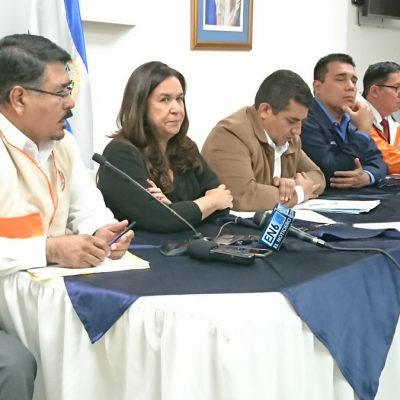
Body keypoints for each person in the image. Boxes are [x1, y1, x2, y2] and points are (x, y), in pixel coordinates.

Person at [0, 34, 134, 399]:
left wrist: (104, 231)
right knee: (15, 365)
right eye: (61, 92)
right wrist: (50, 249)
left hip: (37, 297)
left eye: (70, 89)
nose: (72, 102)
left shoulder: (64, 143)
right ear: (19, 98)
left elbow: (87, 208)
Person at [97, 61, 233, 233]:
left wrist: (176, 209)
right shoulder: (120, 154)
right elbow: (160, 219)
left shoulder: (185, 147)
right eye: (165, 100)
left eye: (179, 99)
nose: (177, 109)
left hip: (190, 242)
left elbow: (224, 202)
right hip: (142, 247)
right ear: (141, 105)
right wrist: (209, 202)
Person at [201, 69, 326, 211]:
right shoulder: (229, 135)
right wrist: (299, 193)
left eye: (302, 121)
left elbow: (318, 176)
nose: (298, 131)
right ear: (265, 110)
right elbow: (243, 197)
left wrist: (291, 184)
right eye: (292, 121)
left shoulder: (290, 139)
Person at [300, 53, 387, 189]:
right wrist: (363, 131)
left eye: (354, 81)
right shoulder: (303, 118)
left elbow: (379, 162)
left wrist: (366, 176)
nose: (351, 87)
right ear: (317, 87)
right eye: (341, 79)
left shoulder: (352, 119)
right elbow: (333, 170)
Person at [362, 62, 400, 174]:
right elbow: (384, 156)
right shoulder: (356, 118)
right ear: (374, 91)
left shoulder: (392, 123)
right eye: (397, 87)